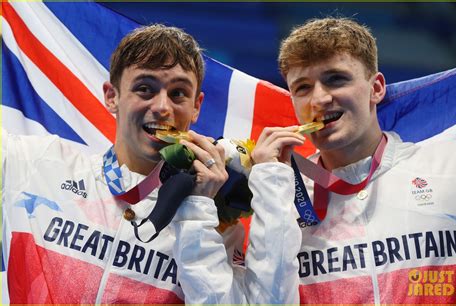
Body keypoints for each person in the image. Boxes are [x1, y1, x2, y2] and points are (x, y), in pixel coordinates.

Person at [2, 24, 300, 304]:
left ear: (196, 107)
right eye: (145, 88)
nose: (161, 107)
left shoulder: (215, 223)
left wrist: (197, 213)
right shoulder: (37, 163)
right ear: (111, 96)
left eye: (178, 93)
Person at [251, 17, 456, 304]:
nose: (319, 99)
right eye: (302, 87)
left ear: (376, 88)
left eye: (336, 79)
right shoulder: (279, 199)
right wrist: (268, 185)